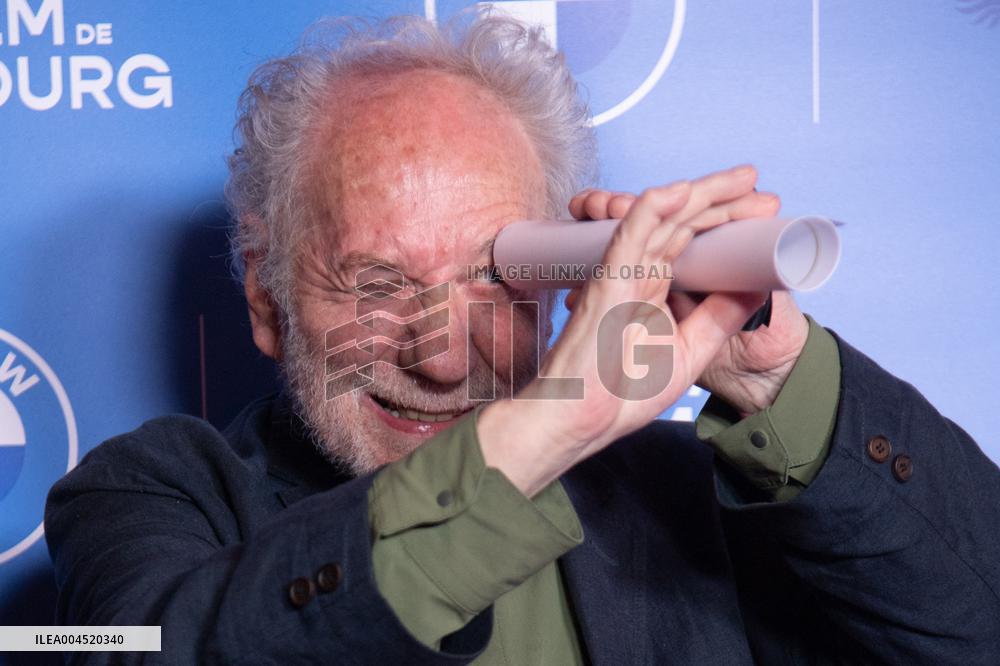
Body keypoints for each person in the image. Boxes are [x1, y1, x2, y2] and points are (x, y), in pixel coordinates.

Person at [45, 13, 1000, 665]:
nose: (444, 357)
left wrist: (772, 371)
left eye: (496, 279)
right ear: (265, 296)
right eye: (378, 285)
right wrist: (547, 426)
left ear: (561, 287)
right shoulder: (152, 494)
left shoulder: (680, 498)